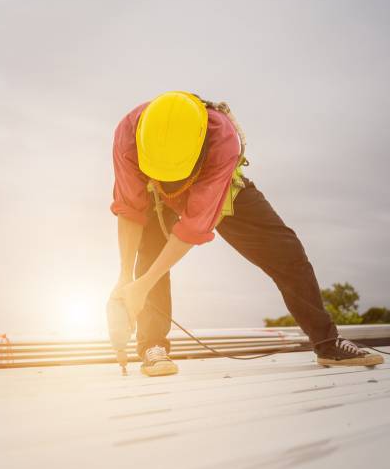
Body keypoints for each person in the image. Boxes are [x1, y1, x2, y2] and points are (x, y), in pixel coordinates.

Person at [109, 91, 384, 377]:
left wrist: (141, 286)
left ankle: (328, 344)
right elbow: (130, 209)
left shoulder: (223, 139)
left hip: (219, 184)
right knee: (148, 256)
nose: (171, 181)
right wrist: (125, 279)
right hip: (152, 193)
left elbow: (193, 227)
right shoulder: (128, 134)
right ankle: (153, 347)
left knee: (286, 251)